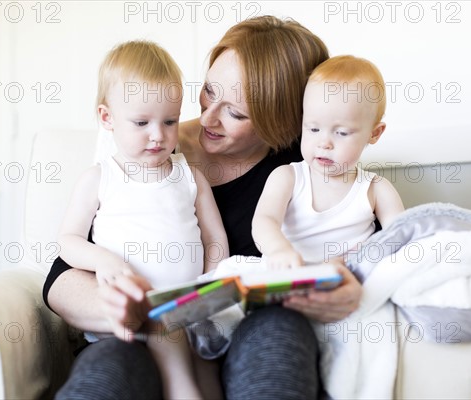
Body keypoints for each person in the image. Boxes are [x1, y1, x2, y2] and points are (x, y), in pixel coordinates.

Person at [44, 16, 364, 399]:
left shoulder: (304, 164)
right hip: (135, 332)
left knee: (278, 332)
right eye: (210, 91)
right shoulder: (141, 144)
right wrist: (130, 310)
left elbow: (366, 239)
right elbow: (62, 274)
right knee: (109, 368)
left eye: (236, 113)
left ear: (283, 122)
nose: (209, 117)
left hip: (240, 332)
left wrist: (351, 285)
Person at [56, 40, 228, 399]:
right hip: (129, 314)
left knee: (208, 370)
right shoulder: (100, 178)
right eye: (141, 122)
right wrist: (104, 260)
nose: (158, 135)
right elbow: (68, 240)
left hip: (190, 309)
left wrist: (211, 285)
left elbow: (214, 239)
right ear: (107, 118)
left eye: (170, 121)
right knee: (164, 333)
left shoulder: (189, 177)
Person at [252, 55, 405, 270]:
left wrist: (364, 258)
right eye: (313, 129)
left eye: (341, 133)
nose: (324, 143)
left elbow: (400, 237)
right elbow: (264, 220)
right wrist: (278, 250)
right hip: (289, 273)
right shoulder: (287, 177)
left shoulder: (375, 188)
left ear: (374, 133)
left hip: (349, 277)